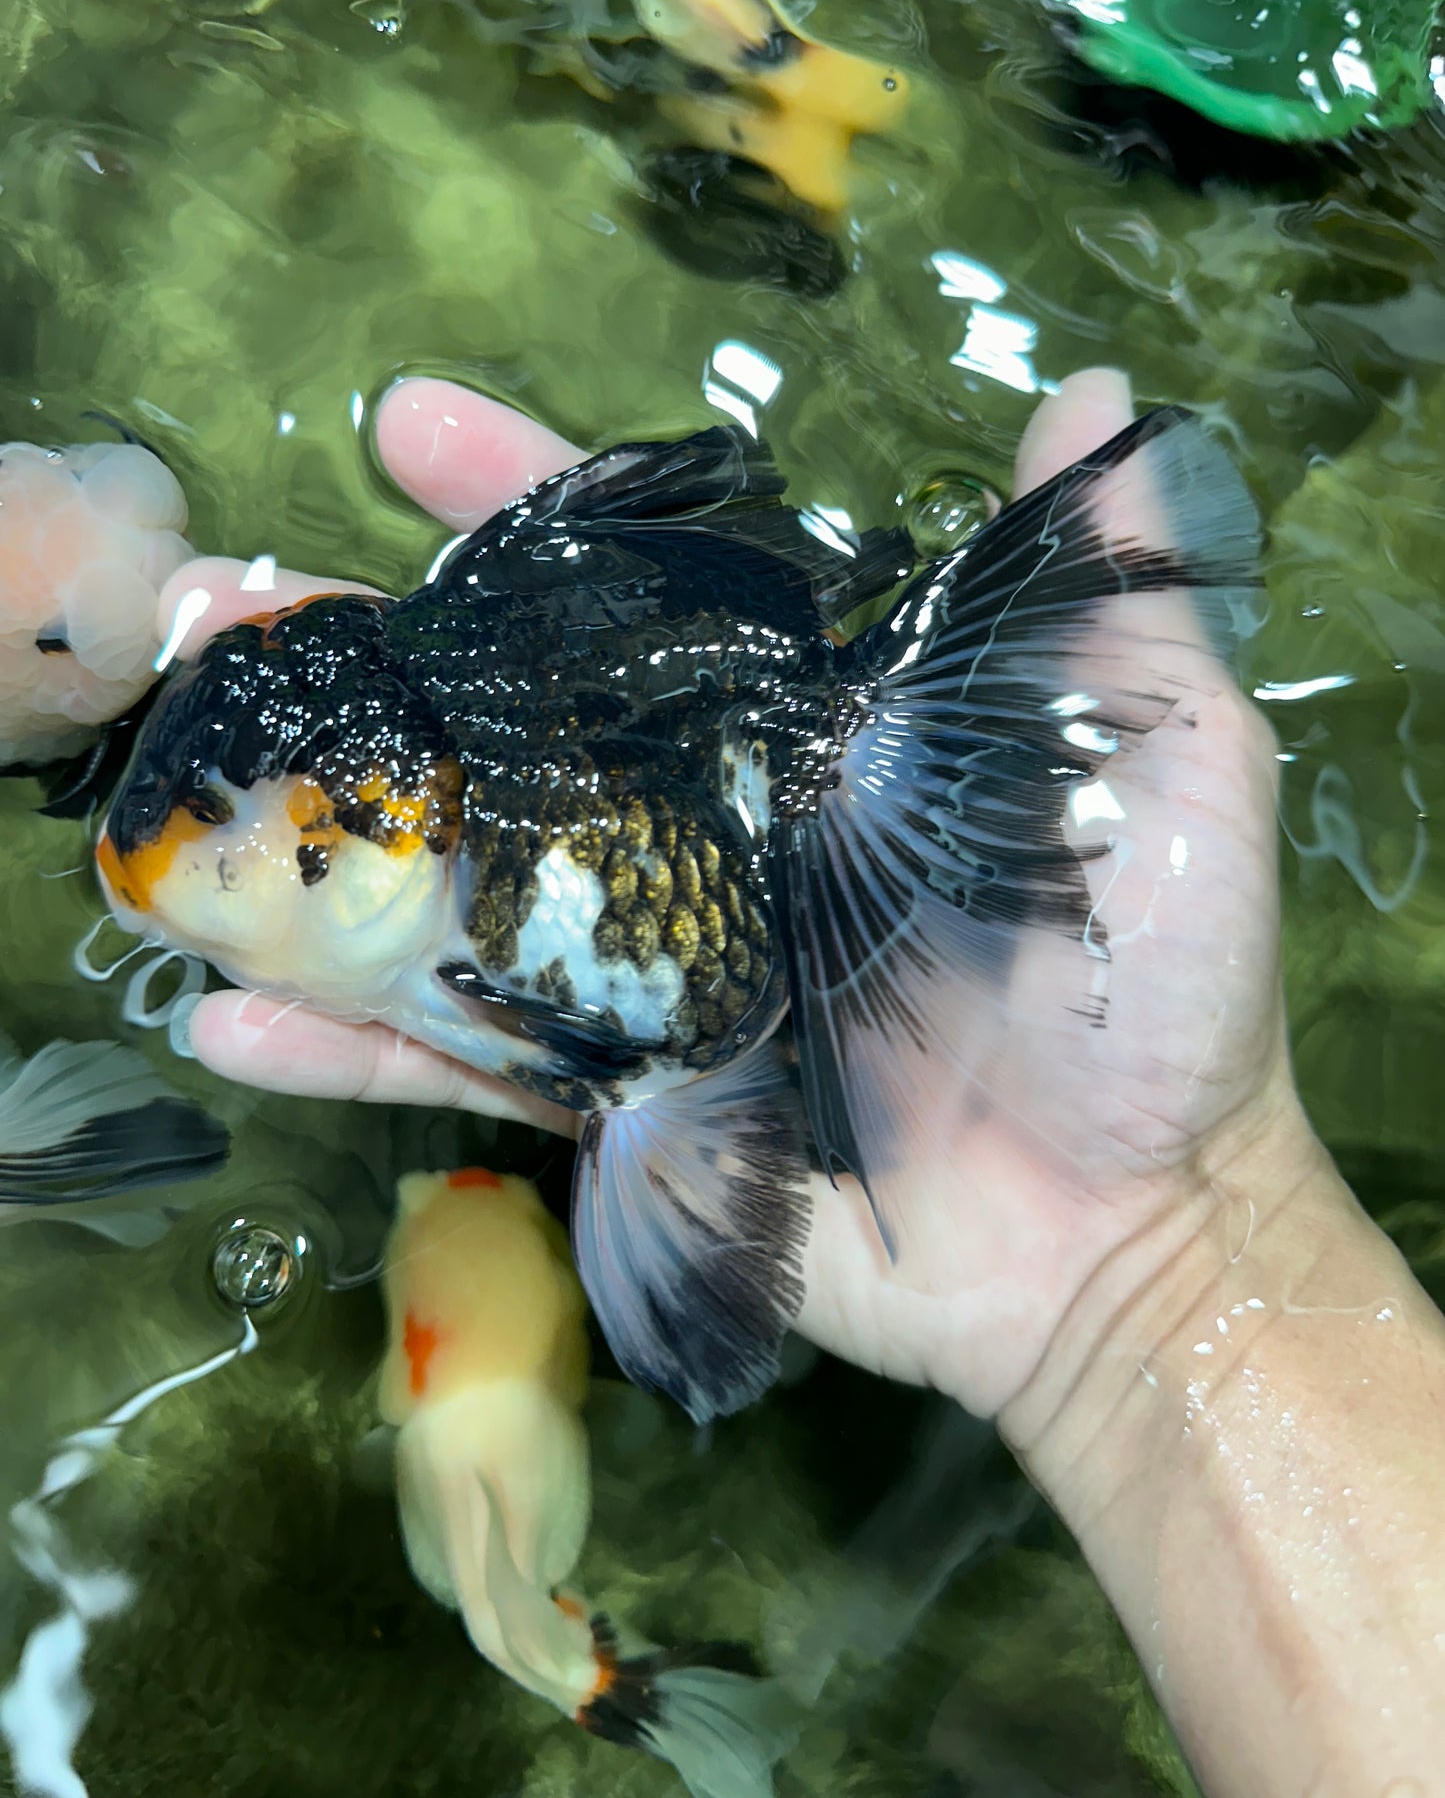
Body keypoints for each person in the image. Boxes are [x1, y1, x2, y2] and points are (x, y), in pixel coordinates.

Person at [155, 367, 1445, 1798]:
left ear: (348, 847)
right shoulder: (414, 847)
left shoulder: (459, 888)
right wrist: (1177, 1270)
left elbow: (645, 1083)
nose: (213, 882)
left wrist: (1172, 1257)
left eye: (239, 856)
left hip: (733, 858)